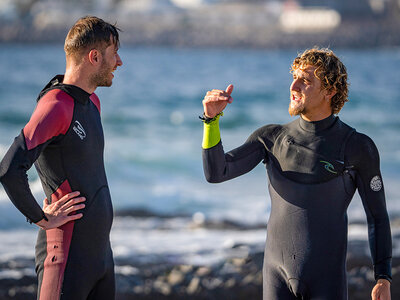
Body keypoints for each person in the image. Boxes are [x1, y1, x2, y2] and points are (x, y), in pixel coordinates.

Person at [200, 48, 392, 300]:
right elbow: (217, 172)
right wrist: (211, 120)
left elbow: (377, 217)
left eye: (306, 80)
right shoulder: (271, 138)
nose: (294, 85)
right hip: (275, 277)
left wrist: (383, 277)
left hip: (327, 282)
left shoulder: (356, 147)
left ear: (330, 91)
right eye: (294, 77)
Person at [0, 16, 122, 300]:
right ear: (94, 57)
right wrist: (41, 218)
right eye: (114, 53)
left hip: (101, 257)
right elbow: (9, 168)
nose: (119, 61)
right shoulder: (56, 105)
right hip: (66, 258)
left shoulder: (92, 102)